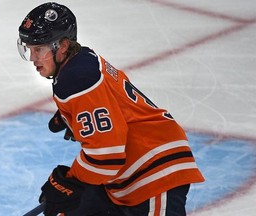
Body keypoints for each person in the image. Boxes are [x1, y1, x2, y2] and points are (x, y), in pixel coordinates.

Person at [17, 2, 205, 216]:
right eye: (29, 49)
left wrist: (70, 181)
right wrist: (74, 115)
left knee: (69, 200)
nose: (33, 58)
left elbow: (107, 157)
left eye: (38, 49)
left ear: (62, 46)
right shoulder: (82, 60)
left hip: (153, 169)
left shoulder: (77, 78)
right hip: (133, 173)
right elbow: (111, 104)